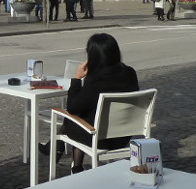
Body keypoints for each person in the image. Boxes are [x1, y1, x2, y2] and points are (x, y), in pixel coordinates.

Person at [39, 33, 139, 171]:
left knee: (73, 117)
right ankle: (60, 152)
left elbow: (72, 108)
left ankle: (63, 153)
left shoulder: (95, 80)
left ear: (92, 56)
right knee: (81, 115)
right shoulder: (130, 73)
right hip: (123, 136)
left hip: (99, 139)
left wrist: (76, 78)